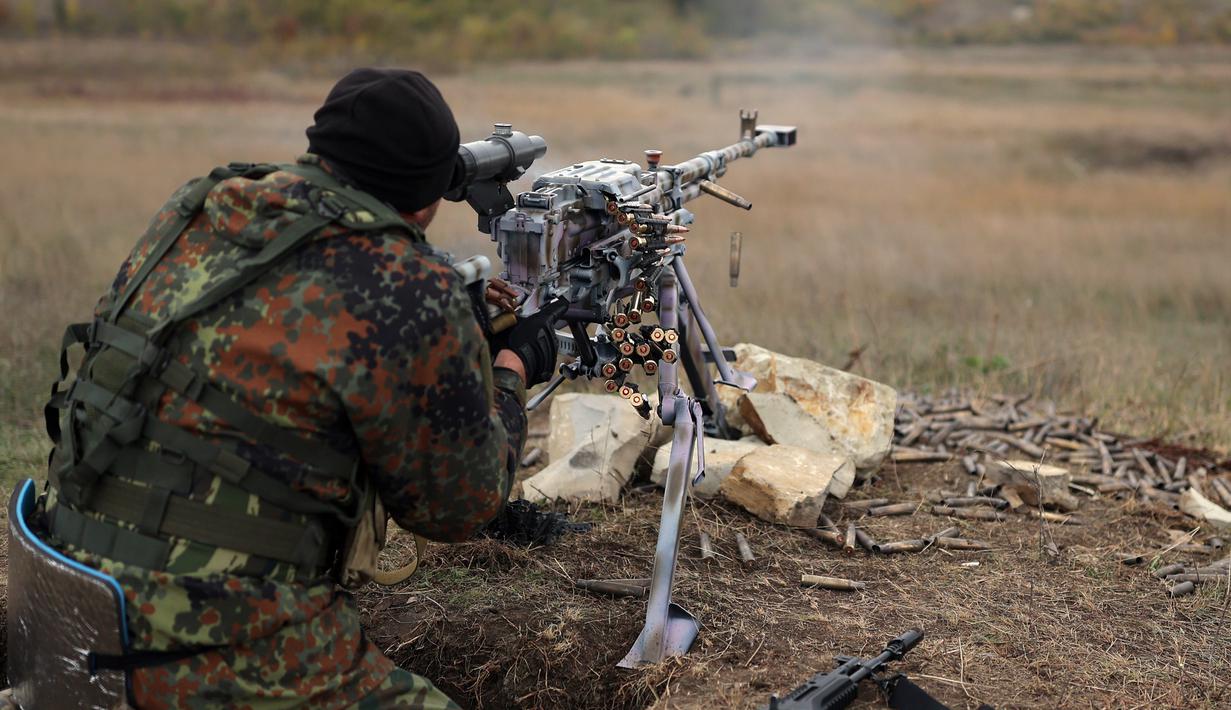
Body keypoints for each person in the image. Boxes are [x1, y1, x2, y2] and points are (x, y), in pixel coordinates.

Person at [20, 68, 561, 708]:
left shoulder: (198, 209)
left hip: (63, 607)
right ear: (427, 200)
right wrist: (511, 369)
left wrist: (446, 326)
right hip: (197, 645)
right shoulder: (406, 287)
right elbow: (459, 508)